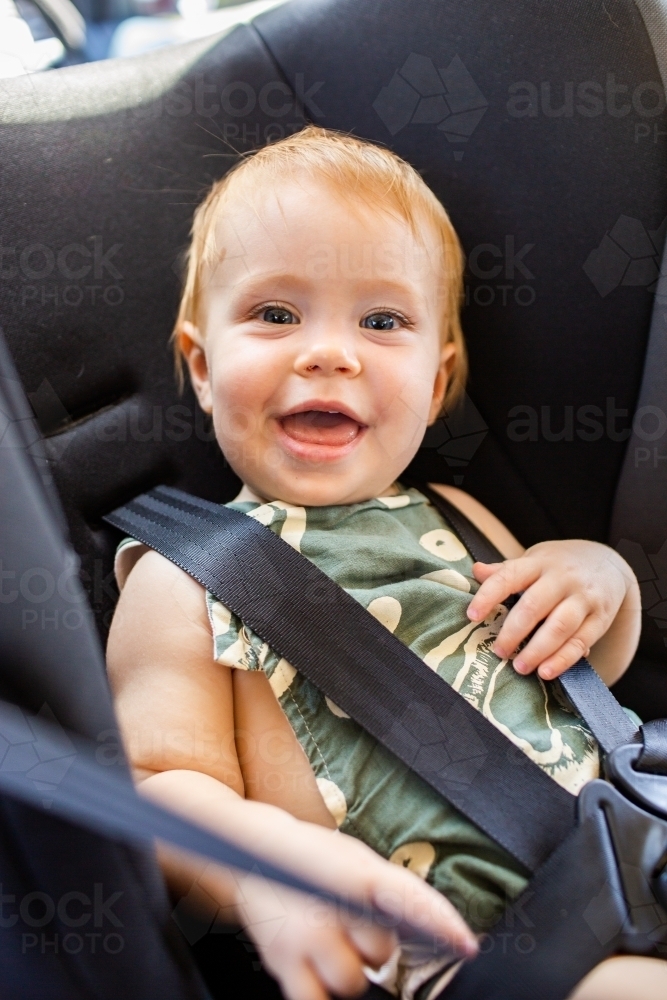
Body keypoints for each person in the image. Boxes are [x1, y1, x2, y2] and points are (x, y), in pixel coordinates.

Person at [106, 127, 664, 1000]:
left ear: (435, 384)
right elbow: (157, 782)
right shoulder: (181, 578)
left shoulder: (462, 517)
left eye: (382, 321)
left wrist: (601, 584)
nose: (330, 351)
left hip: (635, 840)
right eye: (275, 314)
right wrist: (270, 874)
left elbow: (569, 672)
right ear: (203, 366)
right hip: (484, 950)